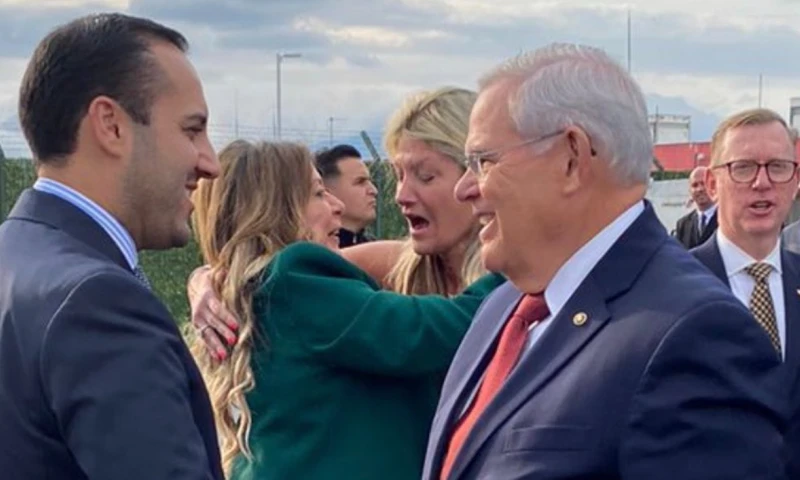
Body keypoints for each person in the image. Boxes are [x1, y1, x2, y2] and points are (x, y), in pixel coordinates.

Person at [421, 43, 787, 480]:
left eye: (484, 161)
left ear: (572, 157)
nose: (466, 188)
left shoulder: (694, 333)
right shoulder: (501, 310)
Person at [188, 139, 504, 480]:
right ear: (276, 209)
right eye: (318, 194)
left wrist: (202, 278)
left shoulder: (263, 290)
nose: (337, 205)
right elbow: (427, 332)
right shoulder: (295, 278)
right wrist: (512, 268)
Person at [0, 13, 223, 480]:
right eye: (191, 129)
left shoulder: (16, 258)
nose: (210, 162)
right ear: (111, 125)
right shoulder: (98, 302)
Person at [189, 86, 485, 356]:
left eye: (426, 176)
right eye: (398, 176)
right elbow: (258, 276)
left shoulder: (519, 279)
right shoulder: (402, 265)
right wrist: (204, 283)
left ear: (478, 177)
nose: (400, 195)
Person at [691, 108, 800, 479]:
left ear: (796, 180)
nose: (762, 183)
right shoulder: (670, 289)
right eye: (743, 167)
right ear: (711, 183)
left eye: (778, 167)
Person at [314, 144, 378, 247]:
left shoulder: (378, 252)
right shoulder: (313, 255)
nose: (374, 191)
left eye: (370, 181)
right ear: (327, 193)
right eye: (360, 182)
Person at [672, 165, 717, 248]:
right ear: (690, 191)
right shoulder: (683, 225)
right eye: (695, 185)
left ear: (713, 186)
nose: (700, 189)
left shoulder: (727, 220)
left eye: (703, 183)